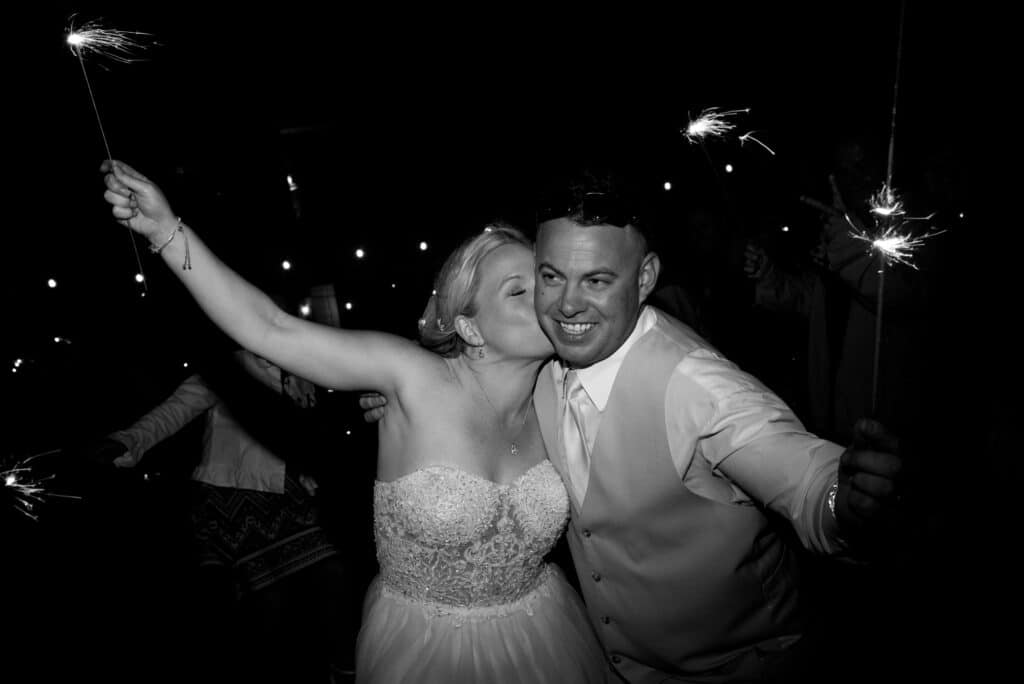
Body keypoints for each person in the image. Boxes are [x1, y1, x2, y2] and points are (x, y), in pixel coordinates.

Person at [362, 168, 905, 682]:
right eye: (549, 277)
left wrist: (845, 500)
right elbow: (479, 371)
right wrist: (415, 393)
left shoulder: (698, 386)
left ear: (645, 278)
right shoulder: (543, 360)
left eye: (597, 279)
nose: (567, 304)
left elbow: (802, 475)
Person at [99, 159, 606, 684]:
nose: (548, 300)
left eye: (543, 282)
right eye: (517, 291)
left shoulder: (565, 390)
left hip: (543, 632)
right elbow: (270, 328)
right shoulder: (412, 377)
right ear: (468, 326)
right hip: (426, 651)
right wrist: (165, 231)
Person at [91, 348, 352, 683]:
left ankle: (345, 670)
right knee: (271, 603)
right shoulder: (231, 369)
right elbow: (176, 409)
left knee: (331, 573)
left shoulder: (303, 367)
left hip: (290, 500)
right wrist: (128, 441)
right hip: (235, 496)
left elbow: (304, 434)